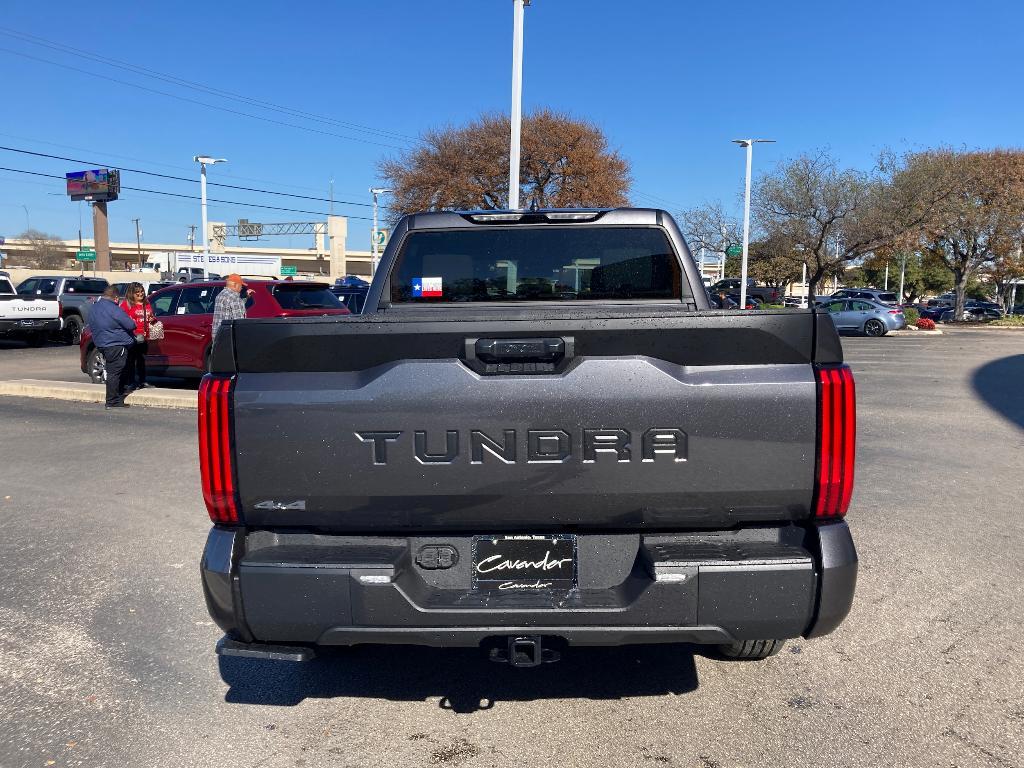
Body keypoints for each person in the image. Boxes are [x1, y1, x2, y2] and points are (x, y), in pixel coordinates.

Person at [87, 286, 137, 409]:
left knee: (112, 371)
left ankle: (114, 399)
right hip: (116, 345)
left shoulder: (94, 308)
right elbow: (130, 325)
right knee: (115, 373)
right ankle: (112, 400)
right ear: (115, 298)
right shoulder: (114, 309)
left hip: (102, 344)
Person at [119, 282, 154, 390]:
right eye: (137, 292)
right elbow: (120, 319)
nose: (140, 294)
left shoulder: (146, 303)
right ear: (131, 294)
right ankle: (131, 382)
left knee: (141, 360)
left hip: (144, 336)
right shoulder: (127, 304)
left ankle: (142, 381)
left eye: (141, 291)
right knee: (130, 360)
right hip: (132, 336)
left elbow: (150, 316)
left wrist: (152, 319)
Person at [211, 273, 248, 343]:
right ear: (235, 285)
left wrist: (245, 297)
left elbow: (229, 308)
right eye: (241, 285)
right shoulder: (235, 298)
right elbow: (239, 322)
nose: (242, 288)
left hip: (218, 336)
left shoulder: (220, 295)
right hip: (229, 339)